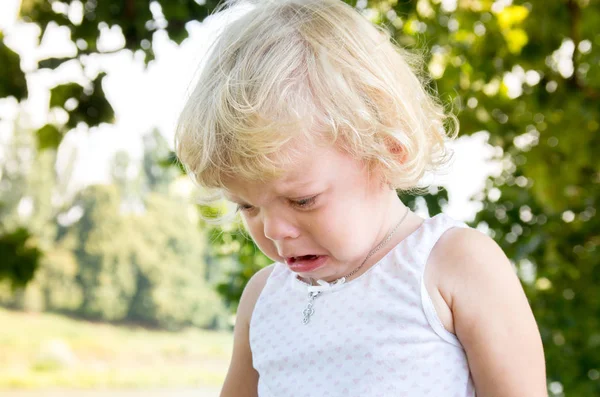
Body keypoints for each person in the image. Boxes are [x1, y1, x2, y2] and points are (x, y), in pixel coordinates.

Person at [174, 0, 547, 395]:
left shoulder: (452, 265)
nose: (273, 229)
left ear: (387, 150)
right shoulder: (264, 298)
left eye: (303, 200)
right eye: (246, 206)